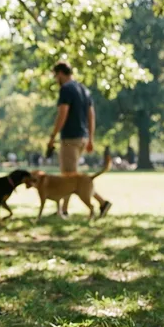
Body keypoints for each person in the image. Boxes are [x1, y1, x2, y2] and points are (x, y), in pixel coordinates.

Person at [47, 62, 111, 217]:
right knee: (73, 176)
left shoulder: (66, 89)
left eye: (56, 76)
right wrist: (90, 138)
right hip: (82, 137)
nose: (56, 79)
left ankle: (66, 210)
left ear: (61, 73)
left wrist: (52, 136)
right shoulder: (84, 90)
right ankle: (100, 203)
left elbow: (63, 113)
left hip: (70, 137)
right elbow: (91, 115)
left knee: (68, 177)